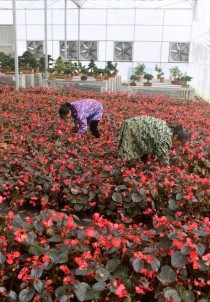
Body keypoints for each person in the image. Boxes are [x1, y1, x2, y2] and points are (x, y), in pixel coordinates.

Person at [118, 116, 190, 167]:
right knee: (128, 149)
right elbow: (163, 156)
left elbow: (152, 143)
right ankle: (122, 166)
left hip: (139, 127)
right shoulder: (165, 138)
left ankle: (142, 162)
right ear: (176, 137)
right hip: (132, 127)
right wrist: (168, 169)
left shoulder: (170, 130)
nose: (176, 146)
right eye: (178, 143)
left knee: (144, 146)